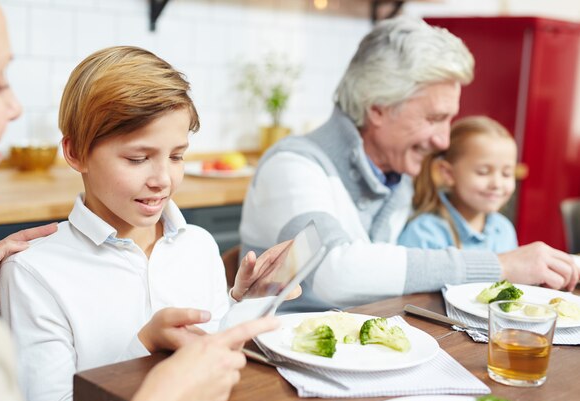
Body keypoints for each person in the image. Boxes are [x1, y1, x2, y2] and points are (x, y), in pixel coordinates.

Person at [0, 1, 277, 401]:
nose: (163, 178)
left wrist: (246, 305)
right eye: (138, 158)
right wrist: (141, 348)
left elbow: (216, 362)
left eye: (177, 156)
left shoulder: (198, 246)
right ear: (75, 152)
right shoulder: (34, 271)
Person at [239, 16, 579, 313]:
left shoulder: (400, 174)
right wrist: (500, 265)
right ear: (378, 108)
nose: (444, 141)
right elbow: (334, 271)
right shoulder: (294, 165)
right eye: (434, 118)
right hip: (275, 367)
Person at [398, 116, 518, 252]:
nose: (497, 184)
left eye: (507, 174)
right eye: (483, 172)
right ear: (448, 173)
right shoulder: (424, 232)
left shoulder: (504, 229)